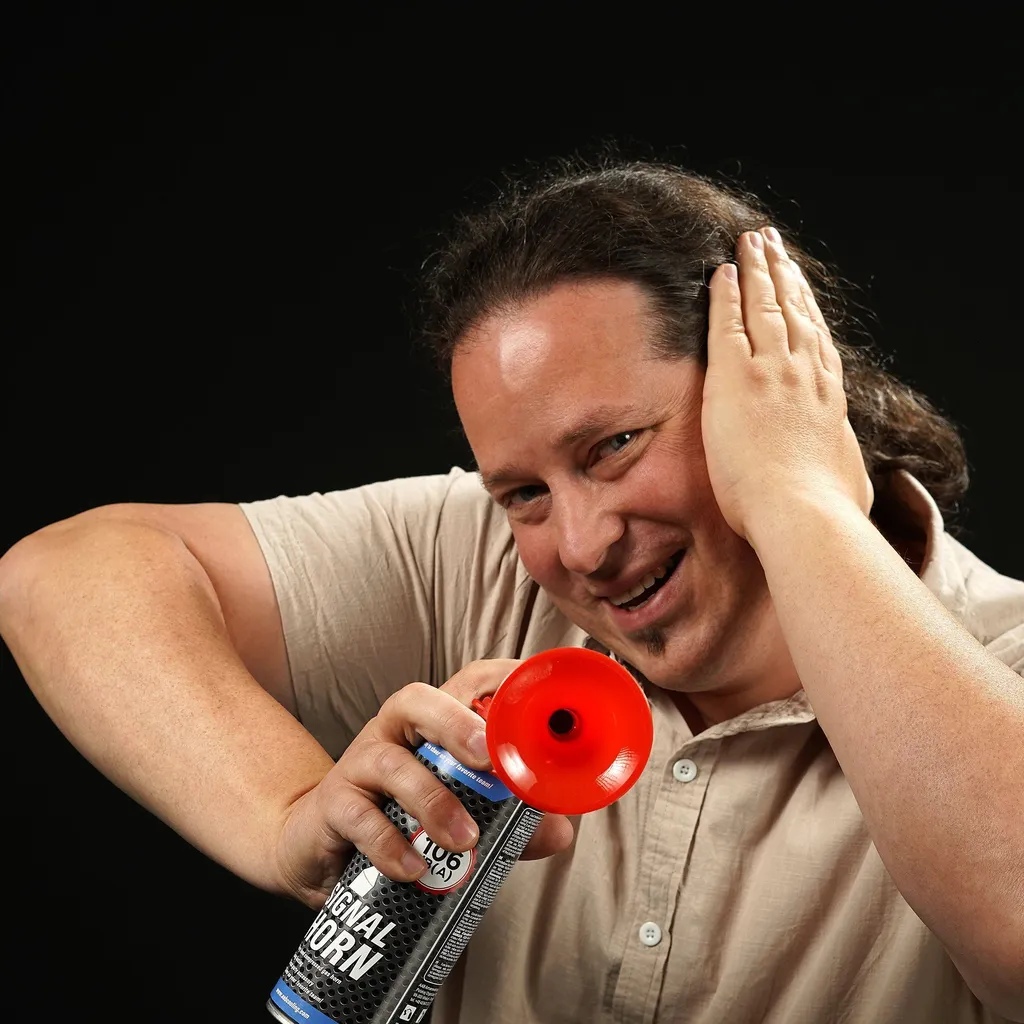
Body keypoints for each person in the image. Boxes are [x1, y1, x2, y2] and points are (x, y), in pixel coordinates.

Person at [1, 159, 1022, 1024]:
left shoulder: (1001, 665)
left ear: (773, 388)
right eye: (525, 491)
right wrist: (281, 813)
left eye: (615, 445)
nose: (581, 543)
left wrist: (798, 495)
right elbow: (59, 577)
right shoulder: (477, 553)